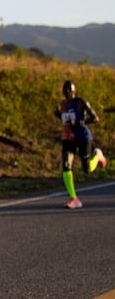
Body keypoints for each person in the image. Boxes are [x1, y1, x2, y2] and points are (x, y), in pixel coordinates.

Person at [54, 79, 107, 209]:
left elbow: (96, 119)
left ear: (73, 91)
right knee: (66, 164)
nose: (67, 94)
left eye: (69, 91)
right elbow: (65, 119)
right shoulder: (63, 104)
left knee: (87, 169)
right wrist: (58, 114)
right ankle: (74, 199)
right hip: (69, 137)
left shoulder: (81, 102)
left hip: (83, 137)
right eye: (65, 91)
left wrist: (80, 122)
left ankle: (98, 156)